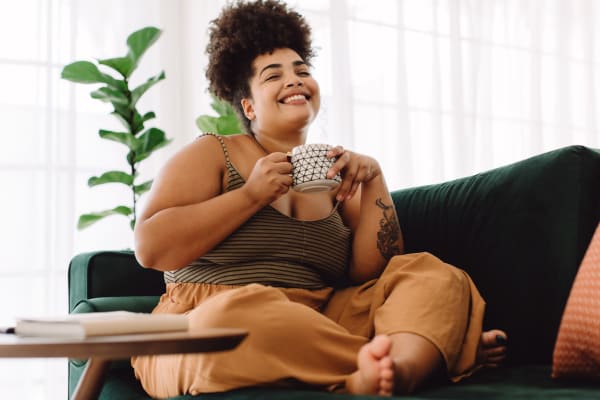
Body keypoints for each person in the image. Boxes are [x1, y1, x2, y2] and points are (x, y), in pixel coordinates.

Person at [131, 0, 507, 397]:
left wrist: (373, 178)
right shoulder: (213, 153)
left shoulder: (332, 173)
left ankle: (393, 371)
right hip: (202, 319)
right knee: (237, 316)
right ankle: (424, 356)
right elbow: (151, 249)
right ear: (248, 106)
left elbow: (372, 270)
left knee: (431, 274)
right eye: (273, 75)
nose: (294, 80)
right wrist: (252, 195)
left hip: (321, 318)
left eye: (302, 71)